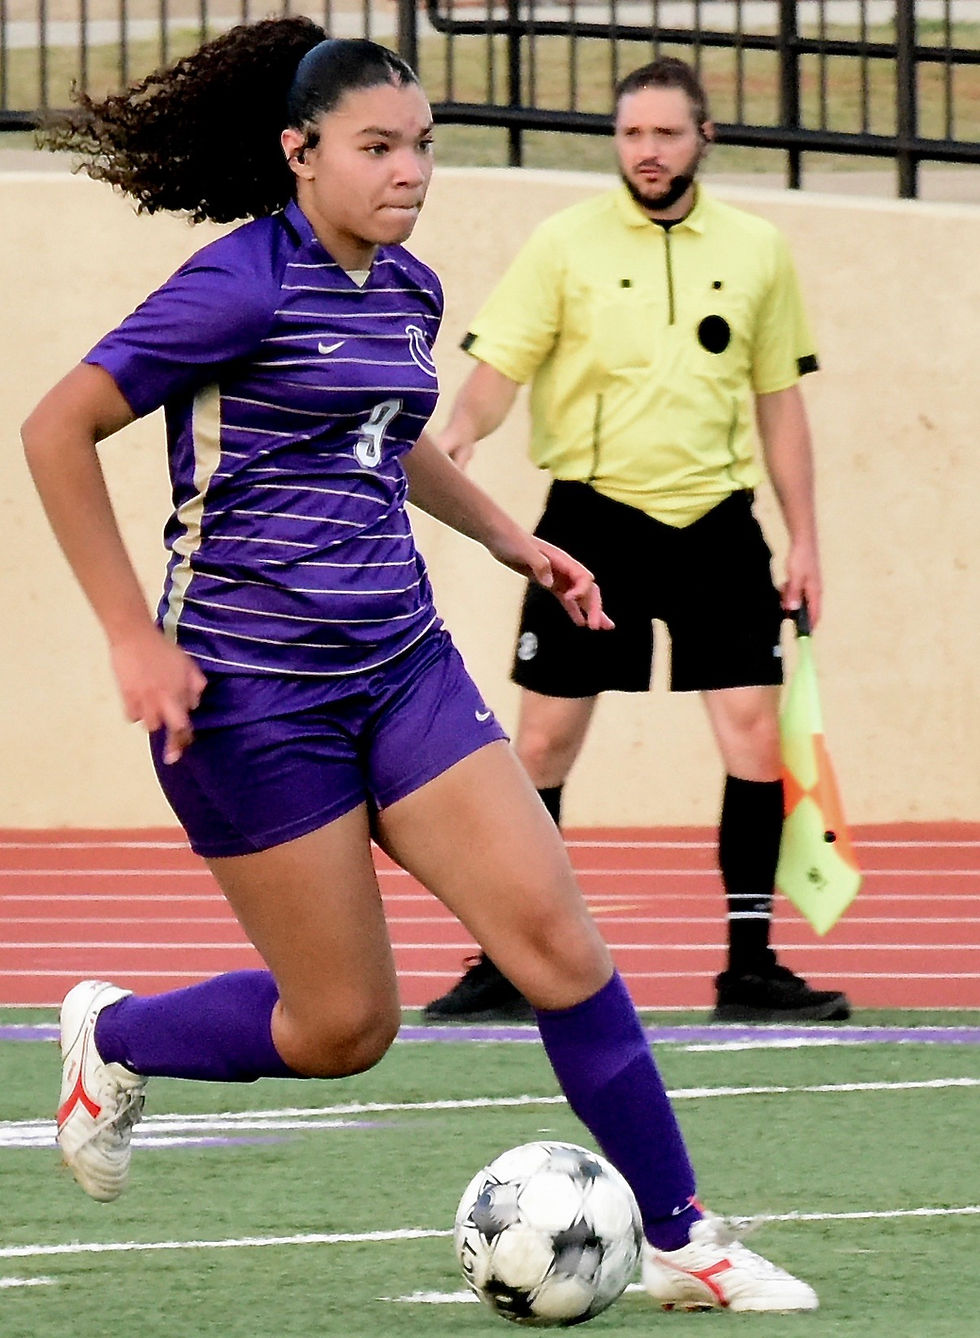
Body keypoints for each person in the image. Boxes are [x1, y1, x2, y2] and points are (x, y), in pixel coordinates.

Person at [23, 21, 819, 1312]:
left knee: (559, 939)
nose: (410, 171)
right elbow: (56, 428)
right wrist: (131, 632)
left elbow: (389, 437)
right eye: (377, 147)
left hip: (404, 668)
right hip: (252, 703)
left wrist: (520, 542)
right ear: (300, 153)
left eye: (424, 146)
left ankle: (684, 1236)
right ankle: (112, 1035)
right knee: (343, 1027)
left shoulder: (409, 288)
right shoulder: (237, 285)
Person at [423, 56, 850, 1027]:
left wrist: (806, 540)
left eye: (664, 133)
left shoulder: (756, 250)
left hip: (717, 526)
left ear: (703, 136)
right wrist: (457, 435)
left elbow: (778, 407)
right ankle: (507, 959)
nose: (646, 151)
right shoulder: (563, 244)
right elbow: (498, 370)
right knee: (540, 742)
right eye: (630, 135)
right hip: (591, 525)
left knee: (752, 738)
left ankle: (750, 968)